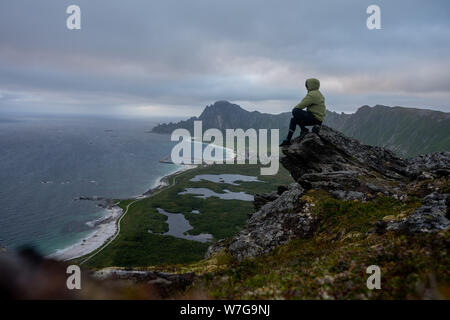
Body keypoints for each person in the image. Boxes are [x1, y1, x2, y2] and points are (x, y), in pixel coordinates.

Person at [280, 78, 326, 146]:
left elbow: (300, 106)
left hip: (314, 118)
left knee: (295, 111)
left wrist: (295, 109)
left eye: (307, 86)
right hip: (317, 119)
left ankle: (303, 130)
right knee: (293, 120)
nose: (306, 88)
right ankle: (288, 140)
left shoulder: (312, 95)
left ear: (311, 85)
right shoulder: (318, 94)